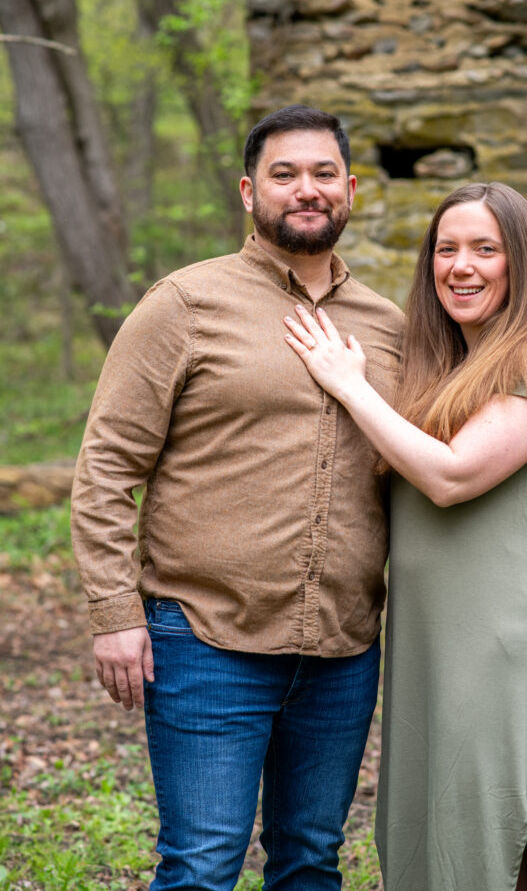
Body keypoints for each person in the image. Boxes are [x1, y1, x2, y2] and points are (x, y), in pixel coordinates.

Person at [70, 105, 404, 891]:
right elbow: (108, 465)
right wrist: (115, 616)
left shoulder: (389, 326)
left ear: (350, 188)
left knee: (310, 862)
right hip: (205, 639)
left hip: (342, 649)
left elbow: (424, 458)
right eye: (284, 174)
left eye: (324, 173)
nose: (307, 189)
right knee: (199, 868)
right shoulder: (184, 305)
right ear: (249, 192)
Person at [283, 181, 527, 891]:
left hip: (493, 623)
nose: (461, 266)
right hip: (426, 625)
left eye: (486, 249)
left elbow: (450, 478)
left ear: (523, 262)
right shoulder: (442, 365)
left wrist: (347, 384)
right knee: (427, 810)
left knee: (489, 808)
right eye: (445, 249)